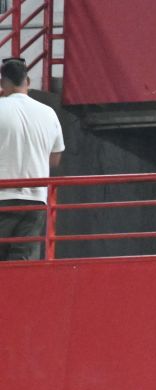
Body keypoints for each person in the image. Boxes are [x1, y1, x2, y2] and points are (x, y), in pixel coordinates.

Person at [0, 58, 64, 261]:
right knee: (23, 264)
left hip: (2, 196)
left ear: (2, 83)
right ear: (27, 81)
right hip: (35, 199)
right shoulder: (49, 113)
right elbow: (55, 160)